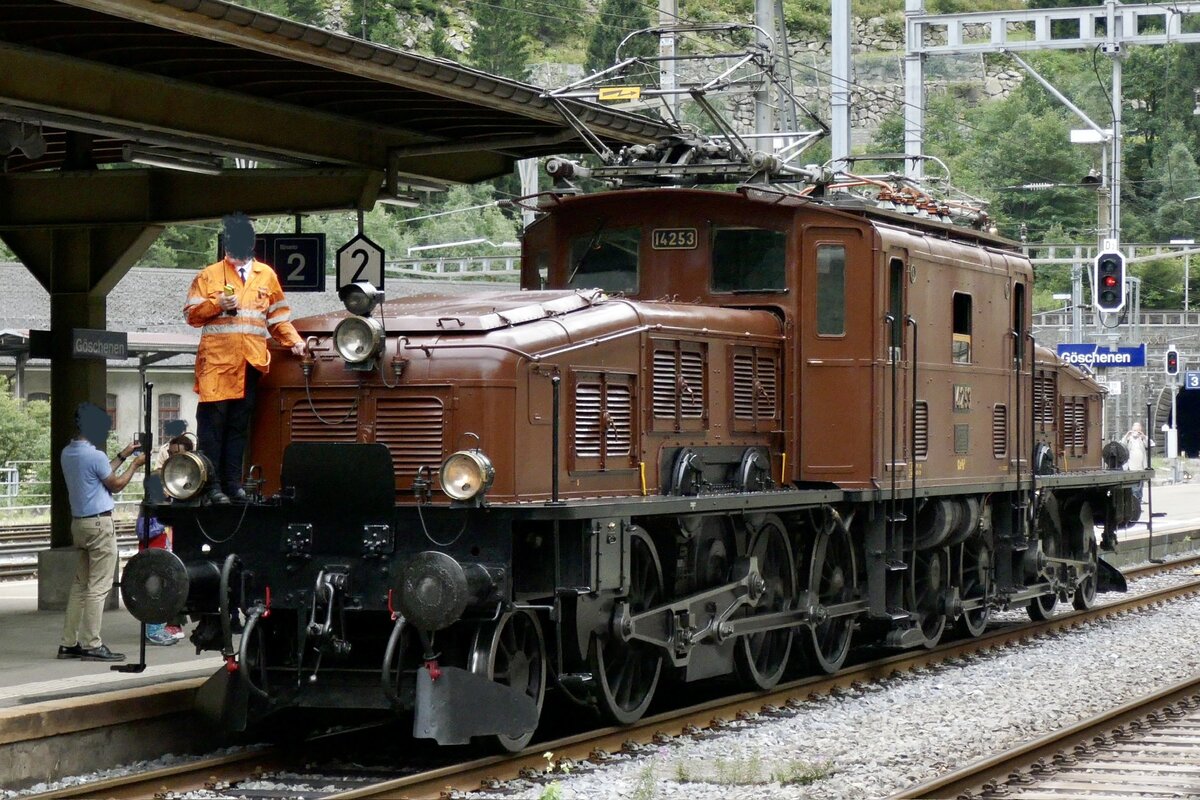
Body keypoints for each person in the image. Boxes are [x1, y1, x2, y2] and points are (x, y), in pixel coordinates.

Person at [185, 213, 306, 504]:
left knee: (238, 428)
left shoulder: (266, 276)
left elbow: (278, 318)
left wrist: (295, 342)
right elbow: (191, 315)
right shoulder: (208, 276)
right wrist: (216, 304)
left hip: (250, 363)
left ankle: (232, 485)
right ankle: (211, 487)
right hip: (217, 365)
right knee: (213, 429)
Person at [58, 403, 146, 662]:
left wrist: (123, 455)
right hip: (99, 526)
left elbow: (100, 471)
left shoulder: (68, 452)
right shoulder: (94, 455)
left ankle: (68, 643)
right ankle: (92, 643)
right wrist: (135, 464)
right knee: (98, 587)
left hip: (79, 525)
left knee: (80, 586)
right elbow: (115, 484)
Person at [1121, 422, 1150, 502]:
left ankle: (1139, 498)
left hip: (1141, 465)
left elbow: (1149, 445)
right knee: (1134, 483)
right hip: (1131, 464)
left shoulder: (1142, 438)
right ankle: (1135, 499)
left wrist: (1143, 437)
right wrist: (1127, 435)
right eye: (1134, 430)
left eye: (1138, 431)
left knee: (1140, 483)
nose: (1136, 432)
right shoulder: (1129, 439)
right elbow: (1122, 445)